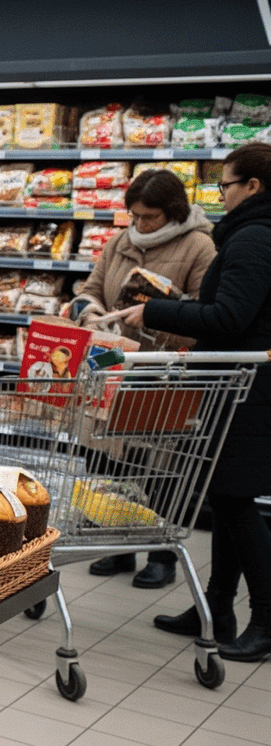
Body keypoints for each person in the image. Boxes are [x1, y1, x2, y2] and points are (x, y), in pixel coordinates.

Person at [111, 143, 271, 662]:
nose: (220, 194)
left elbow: (229, 319)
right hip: (240, 386)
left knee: (238, 508)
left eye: (224, 185)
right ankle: (217, 608)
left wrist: (157, 311)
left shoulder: (253, 238)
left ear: (253, 187)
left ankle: (267, 619)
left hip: (247, 392)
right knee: (226, 502)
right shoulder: (252, 235)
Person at [73, 169, 216, 589]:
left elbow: (207, 313)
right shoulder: (121, 241)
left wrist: (158, 313)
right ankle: (118, 543)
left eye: (148, 217)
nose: (139, 224)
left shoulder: (199, 246)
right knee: (109, 460)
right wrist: (91, 312)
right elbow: (91, 286)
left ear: (172, 212)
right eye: (134, 215)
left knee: (159, 466)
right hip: (113, 364)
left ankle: (160, 554)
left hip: (164, 369)